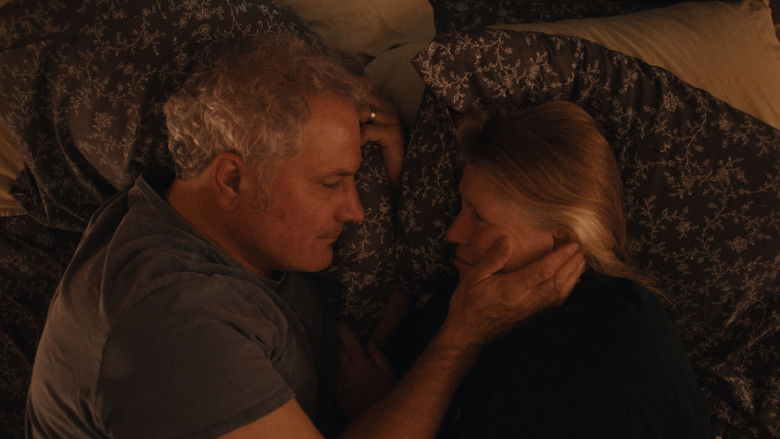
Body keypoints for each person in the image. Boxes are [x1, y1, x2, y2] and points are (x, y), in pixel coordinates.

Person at [25, 34, 584, 438]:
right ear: (233, 179)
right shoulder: (172, 324)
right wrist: (461, 338)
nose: (356, 211)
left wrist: (401, 184)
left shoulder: (208, 225)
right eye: (331, 183)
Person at [395, 101, 713, 438]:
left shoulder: (609, 348)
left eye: (479, 217)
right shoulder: (476, 294)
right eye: (461, 208)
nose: (453, 233)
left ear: (562, 237)